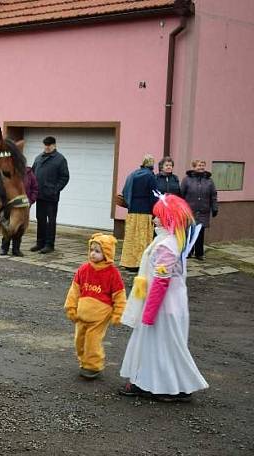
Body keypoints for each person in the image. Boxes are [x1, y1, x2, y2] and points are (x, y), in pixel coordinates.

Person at [119, 193, 208, 402]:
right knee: (162, 347)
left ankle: (166, 388)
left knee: (163, 348)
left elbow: (161, 281)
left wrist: (149, 314)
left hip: (163, 308)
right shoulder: (167, 240)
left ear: (168, 217)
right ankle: (157, 383)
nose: (154, 219)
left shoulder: (167, 245)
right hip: (164, 306)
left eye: (158, 216)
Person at [64, 233, 126, 379]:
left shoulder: (113, 273)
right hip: (82, 314)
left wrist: (118, 313)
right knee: (79, 340)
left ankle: (93, 366)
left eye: (98, 251)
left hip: (100, 315)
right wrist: (71, 307)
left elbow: (119, 295)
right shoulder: (83, 269)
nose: (93, 253)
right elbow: (74, 290)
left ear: (107, 253)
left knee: (92, 341)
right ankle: (83, 361)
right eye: (91, 249)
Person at [119, 155, 159, 271]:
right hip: (145, 211)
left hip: (132, 211)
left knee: (131, 238)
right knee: (142, 238)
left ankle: (128, 262)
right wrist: (155, 211)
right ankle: (140, 263)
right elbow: (154, 195)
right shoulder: (150, 176)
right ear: (151, 164)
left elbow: (125, 191)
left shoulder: (133, 174)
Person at [30, 136, 69, 254]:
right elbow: (32, 174)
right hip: (39, 195)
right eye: (45, 145)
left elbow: (64, 177)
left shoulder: (60, 159)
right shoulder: (38, 158)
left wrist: (55, 189)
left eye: (49, 145)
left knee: (50, 221)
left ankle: (49, 245)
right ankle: (39, 243)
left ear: (54, 145)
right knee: (40, 219)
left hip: (51, 197)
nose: (46, 147)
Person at [180, 159, 218, 261]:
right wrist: (180, 208)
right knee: (189, 231)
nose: (201, 167)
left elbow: (213, 195)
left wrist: (215, 207)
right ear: (194, 167)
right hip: (189, 210)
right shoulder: (187, 180)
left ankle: (199, 253)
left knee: (200, 233)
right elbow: (181, 195)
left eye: (202, 165)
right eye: (198, 165)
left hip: (203, 211)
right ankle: (188, 251)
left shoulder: (209, 181)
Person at [1, 165, 38, 256]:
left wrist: (30, 201)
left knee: (20, 229)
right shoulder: (9, 173)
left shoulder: (29, 173)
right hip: (10, 206)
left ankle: (16, 249)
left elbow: (35, 189)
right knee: (7, 226)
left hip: (23, 206)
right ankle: (4, 249)